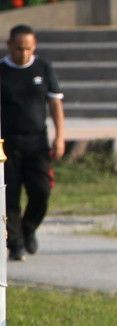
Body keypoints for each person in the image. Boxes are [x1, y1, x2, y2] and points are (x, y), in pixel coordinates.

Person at [1, 24, 65, 261]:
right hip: (7, 144)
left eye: (28, 48)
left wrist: (59, 137)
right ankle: (15, 243)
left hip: (37, 141)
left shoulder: (43, 68)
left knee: (41, 191)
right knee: (10, 195)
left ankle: (28, 228)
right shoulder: (2, 71)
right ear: (9, 46)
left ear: (35, 46)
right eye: (19, 49)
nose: (24, 53)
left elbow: (55, 103)